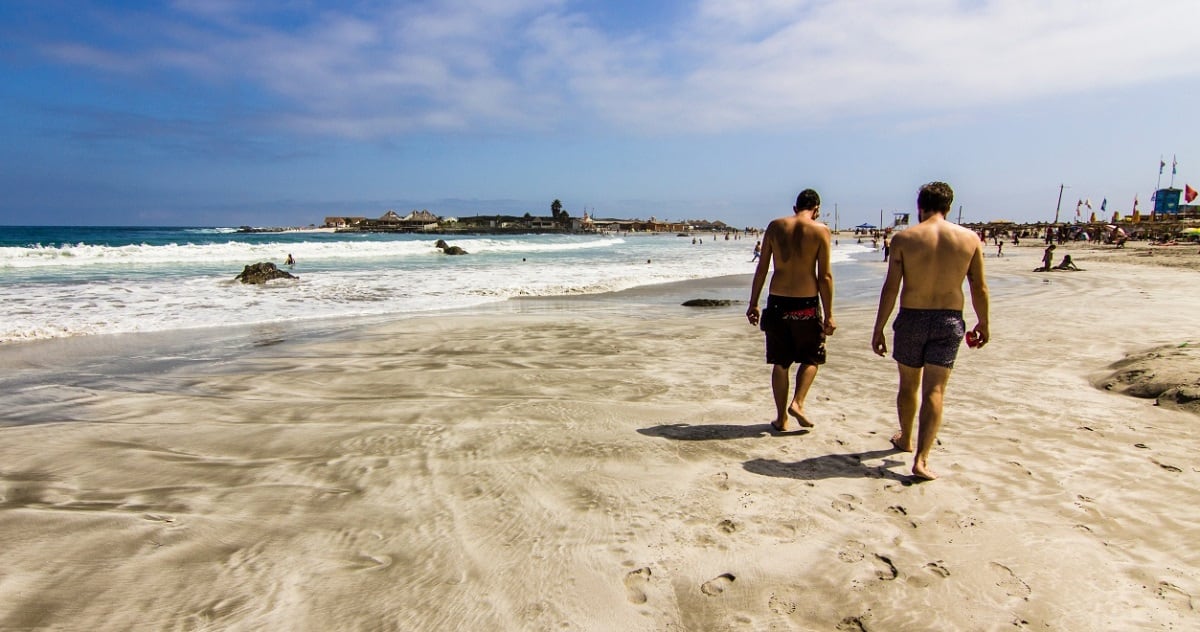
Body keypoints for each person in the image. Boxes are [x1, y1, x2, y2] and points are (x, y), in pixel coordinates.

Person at [871, 182, 989, 480]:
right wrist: (984, 322)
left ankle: (905, 438)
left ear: (919, 207)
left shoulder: (904, 239)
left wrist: (879, 327)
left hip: (911, 317)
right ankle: (922, 459)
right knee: (935, 390)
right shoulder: (969, 239)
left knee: (908, 386)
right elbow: (978, 286)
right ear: (948, 207)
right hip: (949, 320)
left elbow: (891, 288)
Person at [747, 189, 836, 432]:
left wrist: (753, 302)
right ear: (816, 209)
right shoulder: (820, 231)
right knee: (811, 357)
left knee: (781, 362)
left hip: (777, 302)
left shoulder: (775, 227)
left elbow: (762, 269)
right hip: (806, 304)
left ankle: (780, 419)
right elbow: (824, 276)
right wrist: (829, 314)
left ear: (796, 207)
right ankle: (798, 402)